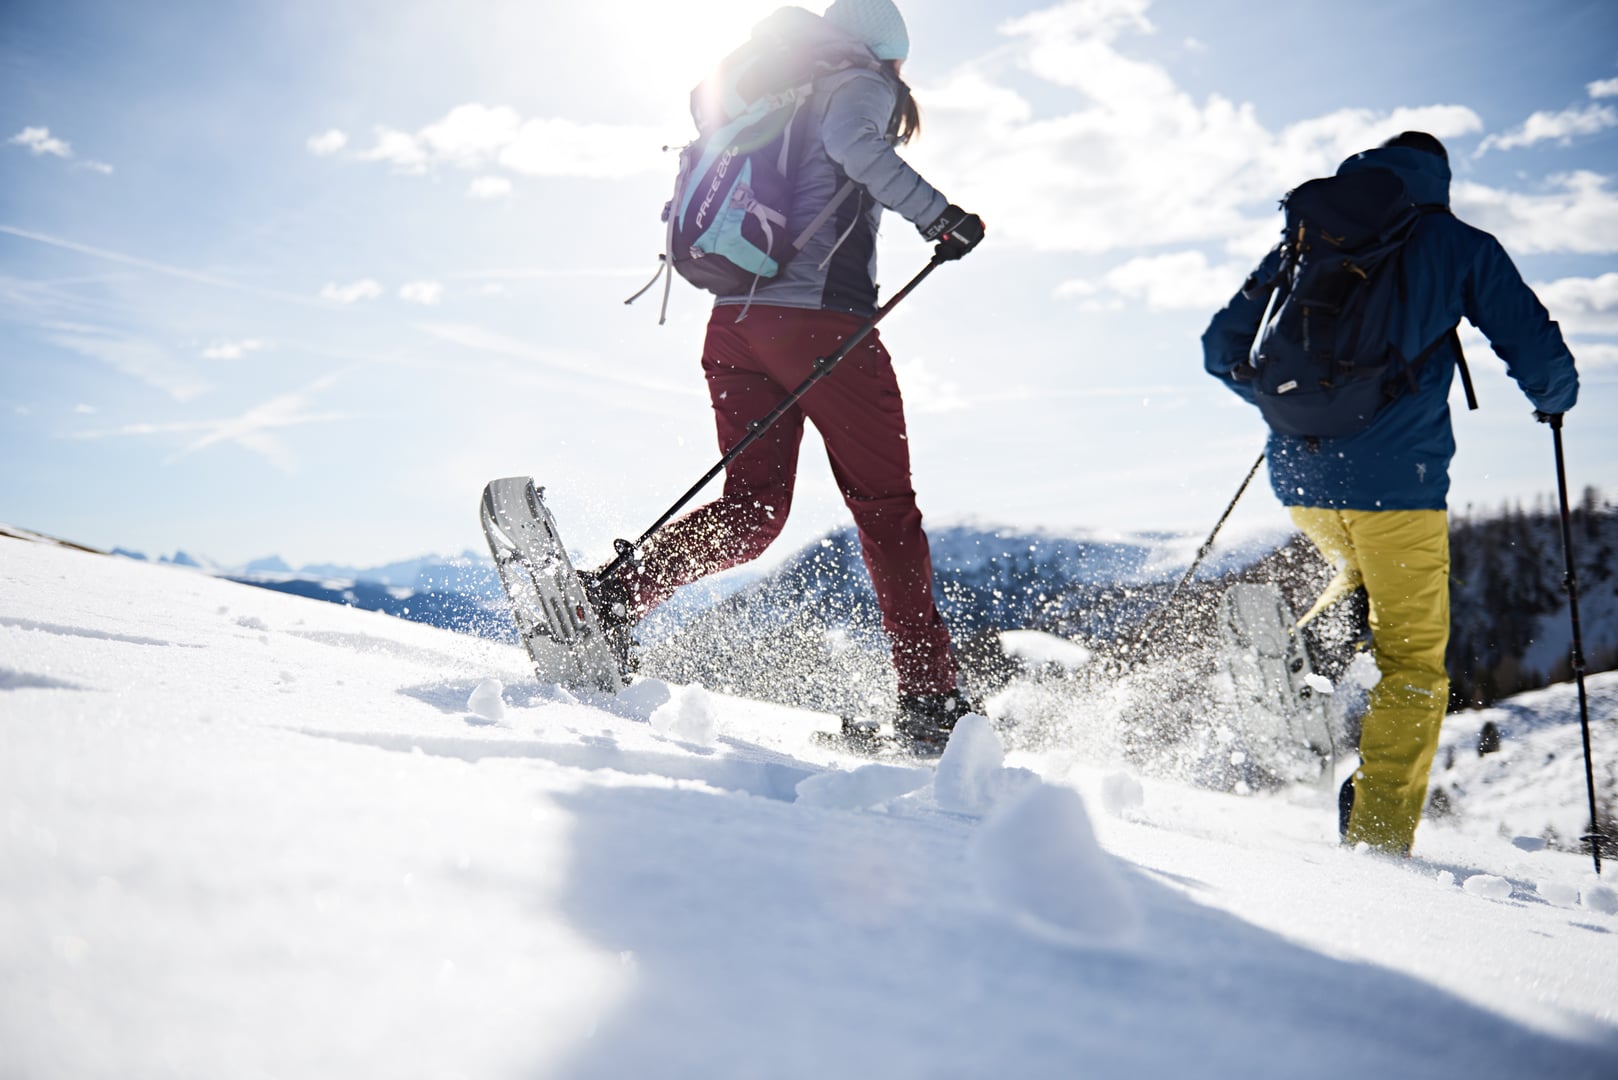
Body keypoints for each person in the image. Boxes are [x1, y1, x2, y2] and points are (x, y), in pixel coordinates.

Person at [589, 0, 986, 751]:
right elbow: (857, 147)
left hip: (734, 324)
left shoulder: (762, 87)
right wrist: (942, 218)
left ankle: (612, 600)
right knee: (885, 510)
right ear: (887, 51)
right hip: (820, 326)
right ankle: (930, 699)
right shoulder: (859, 81)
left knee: (754, 512)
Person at [1202, 131, 1579, 855]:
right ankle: (1377, 835)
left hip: (1299, 477)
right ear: (1437, 178)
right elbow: (1535, 349)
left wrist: (1289, 406)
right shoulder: (1456, 243)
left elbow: (1223, 347)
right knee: (1413, 664)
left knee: (1356, 570)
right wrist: (1555, 399)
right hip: (1398, 489)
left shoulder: (1310, 235)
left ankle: (1308, 642)